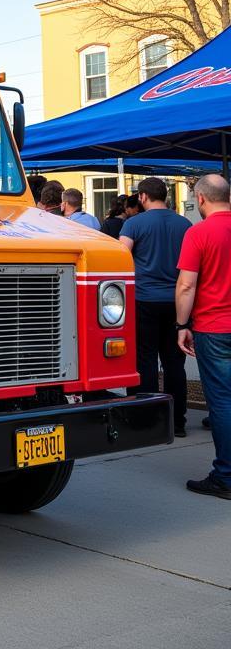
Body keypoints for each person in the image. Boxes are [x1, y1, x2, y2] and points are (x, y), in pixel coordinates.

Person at [120, 176, 193, 437]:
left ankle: (146, 419)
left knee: (145, 360)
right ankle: (178, 421)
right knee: (174, 363)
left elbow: (120, 256)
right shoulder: (184, 224)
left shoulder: (133, 223)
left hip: (144, 300)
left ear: (142, 197)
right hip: (177, 302)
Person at [175, 174, 231, 499]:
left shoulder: (198, 232)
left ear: (200, 199)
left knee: (222, 402)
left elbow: (186, 285)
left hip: (215, 327)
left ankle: (225, 475)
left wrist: (182, 325)